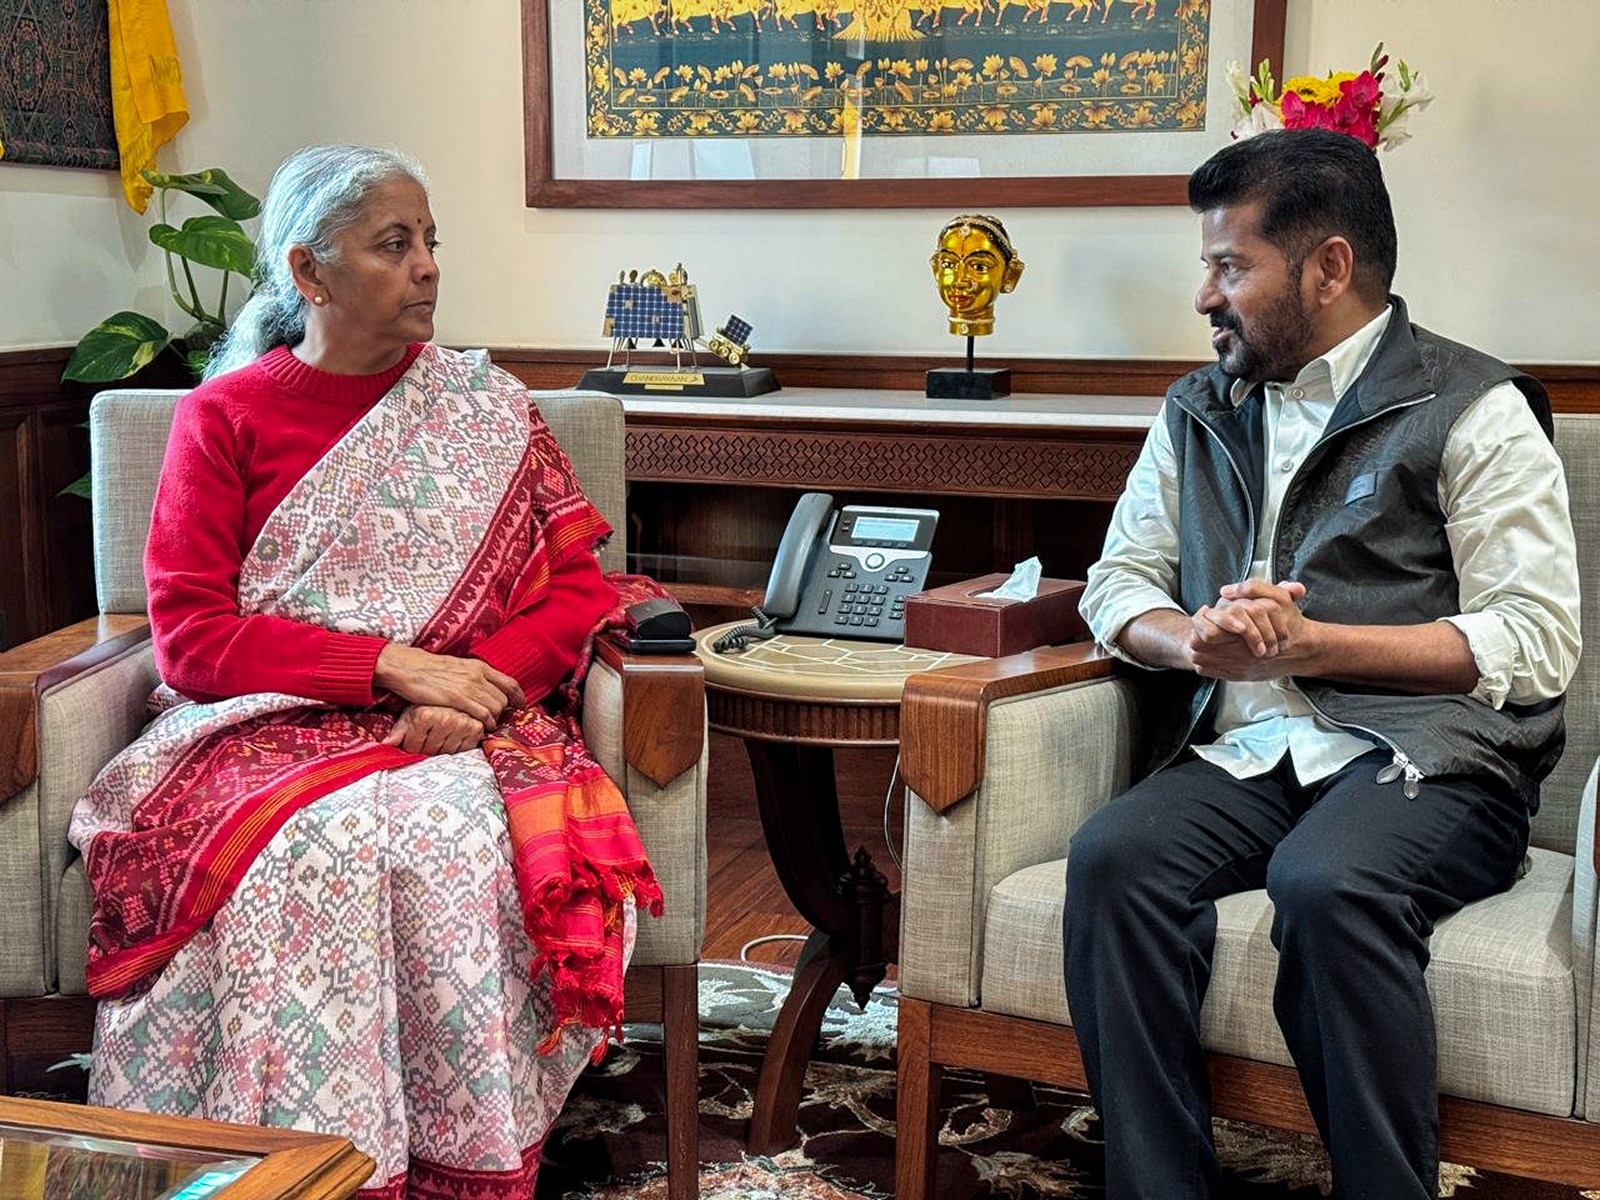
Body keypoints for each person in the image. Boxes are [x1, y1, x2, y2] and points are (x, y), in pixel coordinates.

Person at [69, 144, 663, 1199]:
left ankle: (451, 1157)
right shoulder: (224, 419)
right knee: (314, 846)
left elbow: (579, 590)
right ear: (309, 272)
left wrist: (478, 689)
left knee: (436, 840)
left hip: (473, 722)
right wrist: (396, 669)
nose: (428, 265)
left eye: (430, 241)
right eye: (395, 245)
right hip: (261, 722)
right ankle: (291, 1165)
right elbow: (194, 638)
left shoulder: (490, 408)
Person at [1069, 128, 1580, 1199]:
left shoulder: (1475, 407)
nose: (1204, 295)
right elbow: (1117, 580)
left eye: (1228, 266)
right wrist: (1188, 641)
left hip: (1434, 763)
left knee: (1327, 882)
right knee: (1115, 860)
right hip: (1254, 751)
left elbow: (1535, 642)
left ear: (1328, 268)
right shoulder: (1197, 407)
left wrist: (1316, 647)